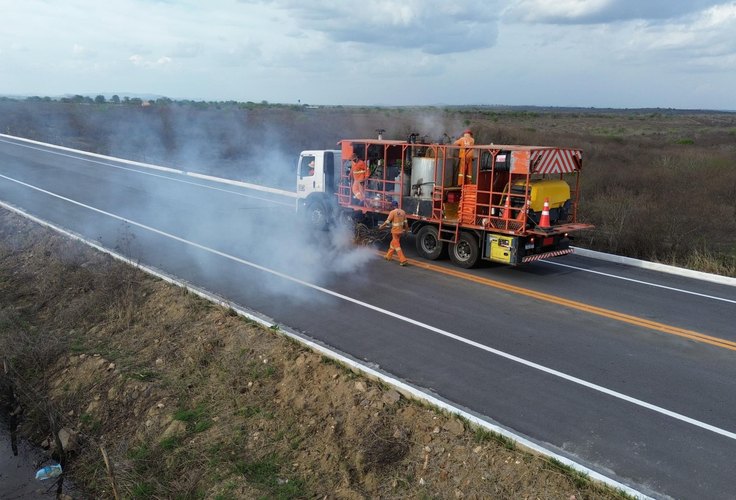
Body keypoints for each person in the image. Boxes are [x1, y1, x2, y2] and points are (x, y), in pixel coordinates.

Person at [379, 201, 408, 266]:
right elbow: (406, 223)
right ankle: (388, 256)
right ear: (397, 205)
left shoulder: (392, 212)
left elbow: (387, 221)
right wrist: (406, 231)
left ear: (392, 206)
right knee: (393, 243)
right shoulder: (403, 212)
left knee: (397, 246)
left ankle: (403, 260)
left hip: (395, 231)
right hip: (400, 231)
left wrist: (381, 226)